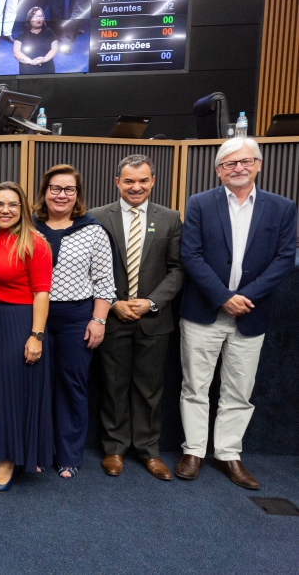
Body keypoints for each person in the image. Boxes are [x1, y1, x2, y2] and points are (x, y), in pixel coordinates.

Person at [176, 138, 297, 490]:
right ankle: (194, 450)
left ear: (258, 164)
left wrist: (244, 297)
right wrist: (222, 297)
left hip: (252, 314)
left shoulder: (282, 208)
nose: (238, 168)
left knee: (239, 390)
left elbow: (284, 259)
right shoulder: (199, 204)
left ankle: (228, 452)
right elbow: (191, 255)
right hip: (203, 311)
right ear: (218, 171)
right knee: (195, 386)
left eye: (245, 161)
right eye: (229, 164)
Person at [89, 155, 185, 480]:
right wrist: (113, 302)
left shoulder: (170, 219)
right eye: (129, 181)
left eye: (143, 180)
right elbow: (91, 269)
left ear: (153, 182)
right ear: (117, 182)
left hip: (154, 319)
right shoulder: (97, 217)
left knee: (150, 388)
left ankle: (148, 450)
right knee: (113, 385)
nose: (136, 187)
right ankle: (115, 448)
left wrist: (152, 302)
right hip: (113, 316)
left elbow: (177, 269)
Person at [33, 164, 115, 479]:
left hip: (75, 318)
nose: (62, 195)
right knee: (37, 385)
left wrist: (99, 320)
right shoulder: (29, 226)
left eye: (69, 189)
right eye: (55, 188)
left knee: (72, 386)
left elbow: (105, 283)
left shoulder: (92, 230)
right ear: (45, 191)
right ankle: (38, 450)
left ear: (78, 194)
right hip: (34, 317)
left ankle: (68, 455)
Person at [0, 182, 52, 493]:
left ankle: (9, 462)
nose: (5, 210)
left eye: (13, 205)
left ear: (23, 209)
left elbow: (42, 293)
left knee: (11, 396)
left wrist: (36, 336)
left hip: (20, 323)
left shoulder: (34, 243)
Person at [14, 6, 58, 74]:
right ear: (29, 19)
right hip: (28, 69)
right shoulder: (22, 35)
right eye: (36, 16)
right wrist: (31, 61)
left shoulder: (49, 32)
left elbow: (55, 48)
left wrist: (44, 60)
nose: (39, 18)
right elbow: (16, 52)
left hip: (46, 67)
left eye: (41, 16)